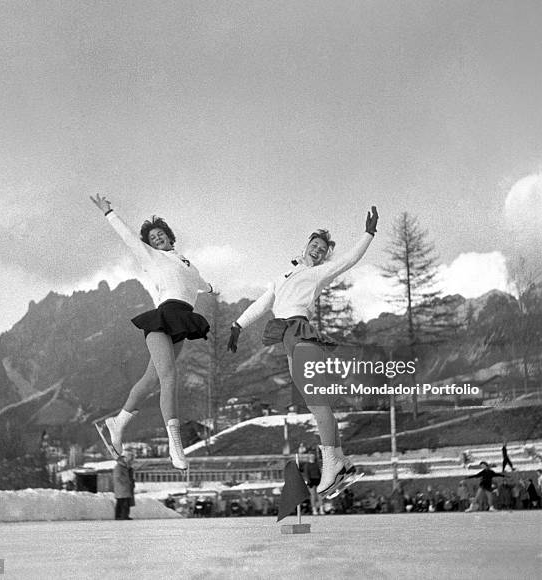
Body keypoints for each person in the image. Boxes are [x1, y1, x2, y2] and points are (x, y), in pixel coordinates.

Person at [227, 207, 378, 495]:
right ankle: (342, 462)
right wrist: (237, 324)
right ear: (306, 246)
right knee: (318, 403)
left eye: (322, 250)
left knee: (316, 401)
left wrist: (368, 234)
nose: (318, 251)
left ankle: (331, 463)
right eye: (315, 246)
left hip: (302, 334)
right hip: (289, 339)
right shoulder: (283, 276)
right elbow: (262, 303)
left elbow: (350, 259)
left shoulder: (318, 273)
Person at [90, 194, 213, 470]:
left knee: (150, 379)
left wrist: (211, 288)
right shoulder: (150, 256)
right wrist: (109, 213)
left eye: (161, 235)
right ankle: (175, 446)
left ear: (170, 237)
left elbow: (200, 282)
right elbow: (129, 238)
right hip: (161, 319)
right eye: (153, 237)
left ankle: (118, 422)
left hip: (182, 320)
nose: (157, 239)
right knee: (169, 377)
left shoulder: (186, 263)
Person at [112, 454, 135, 520]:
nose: (126, 460)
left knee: (125, 503)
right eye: (124, 459)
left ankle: (124, 515)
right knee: (122, 503)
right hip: (121, 488)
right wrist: (126, 482)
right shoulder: (119, 467)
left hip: (125, 488)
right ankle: (121, 516)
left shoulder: (124, 467)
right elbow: (118, 477)